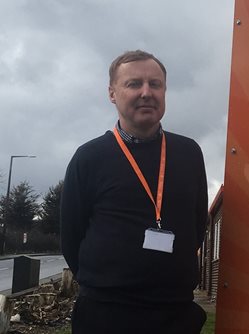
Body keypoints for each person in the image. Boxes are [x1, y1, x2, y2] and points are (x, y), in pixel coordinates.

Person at [60, 50, 208, 334]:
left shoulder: (189, 153)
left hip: (174, 314)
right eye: (133, 84)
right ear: (112, 93)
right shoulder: (89, 157)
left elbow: (197, 225)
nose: (146, 92)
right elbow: (71, 236)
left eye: (155, 84)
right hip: (106, 315)